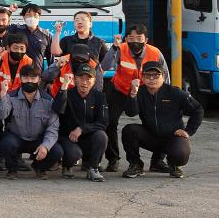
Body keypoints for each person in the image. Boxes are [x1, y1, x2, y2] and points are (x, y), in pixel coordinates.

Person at [100, 24, 170, 173]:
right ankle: (113, 159)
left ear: (146, 40)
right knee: (109, 122)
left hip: (146, 92)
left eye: (139, 38)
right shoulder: (121, 48)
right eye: (131, 38)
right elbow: (105, 66)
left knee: (160, 121)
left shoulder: (155, 52)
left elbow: (165, 75)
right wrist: (114, 47)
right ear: (126, 39)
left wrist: (164, 94)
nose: (135, 41)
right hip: (119, 90)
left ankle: (157, 161)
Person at [122, 61, 203, 179]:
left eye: (156, 75)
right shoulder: (140, 92)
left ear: (163, 76)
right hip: (151, 136)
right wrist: (133, 94)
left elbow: (198, 109)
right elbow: (131, 113)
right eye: (147, 75)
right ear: (142, 77)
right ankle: (136, 164)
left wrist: (188, 131)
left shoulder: (175, 92)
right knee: (129, 130)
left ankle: (172, 164)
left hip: (172, 137)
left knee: (180, 155)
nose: (151, 78)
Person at [0, 64, 63, 180]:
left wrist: (45, 146)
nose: (29, 81)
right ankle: (12, 169)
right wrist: (3, 94)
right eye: (26, 78)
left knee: (57, 151)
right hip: (17, 137)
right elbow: (0, 115)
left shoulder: (48, 100)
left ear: (39, 80)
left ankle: (39, 167)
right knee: (6, 143)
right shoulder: (10, 96)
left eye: (33, 78)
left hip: (38, 140)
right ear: (20, 79)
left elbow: (53, 127)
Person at [0, 32, 34, 170]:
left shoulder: (28, 61)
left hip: (16, 99)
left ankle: (16, 157)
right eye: (15, 48)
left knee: (16, 127)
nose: (18, 51)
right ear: (8, 47)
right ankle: (0, 156)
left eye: (22, 48)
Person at [53, 62, 109, 182]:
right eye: (81, 78)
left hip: (88, 136)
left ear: (94, 81)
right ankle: (67, 166)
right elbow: (56, 109)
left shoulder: (100, 97)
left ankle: (93, 168)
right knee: (74, 153)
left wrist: (82, 128)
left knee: (101, 136)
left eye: (88, 79)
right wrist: (64, 87)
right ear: (75, 79)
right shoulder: (67, 93)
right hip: (68, 137)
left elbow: (103, 122)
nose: (84, 82)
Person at [8, 4, 52, 70]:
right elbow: (4, 25)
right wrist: (10, 11)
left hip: (37, 76)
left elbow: (51, 59)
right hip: (18, 75)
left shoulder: (46, 35)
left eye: (35, 15)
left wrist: (50, 77)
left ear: (39, 17)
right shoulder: (16, 29)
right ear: (23, 17)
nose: (32, 17)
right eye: (28, 14)